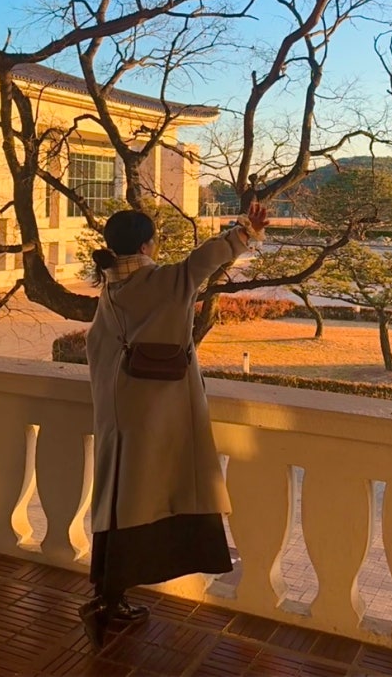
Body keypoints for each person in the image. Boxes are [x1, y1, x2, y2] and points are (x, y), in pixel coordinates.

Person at [80, 204, 267, 646]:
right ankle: (111, 601)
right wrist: (247, 231)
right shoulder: (165, 281)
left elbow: (97, 347)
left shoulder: (111, 285)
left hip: (118, 413)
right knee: (152, 498)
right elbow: (206, 259)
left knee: (118, 501)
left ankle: (107, 595)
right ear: (148, 245)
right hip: (156, 415)